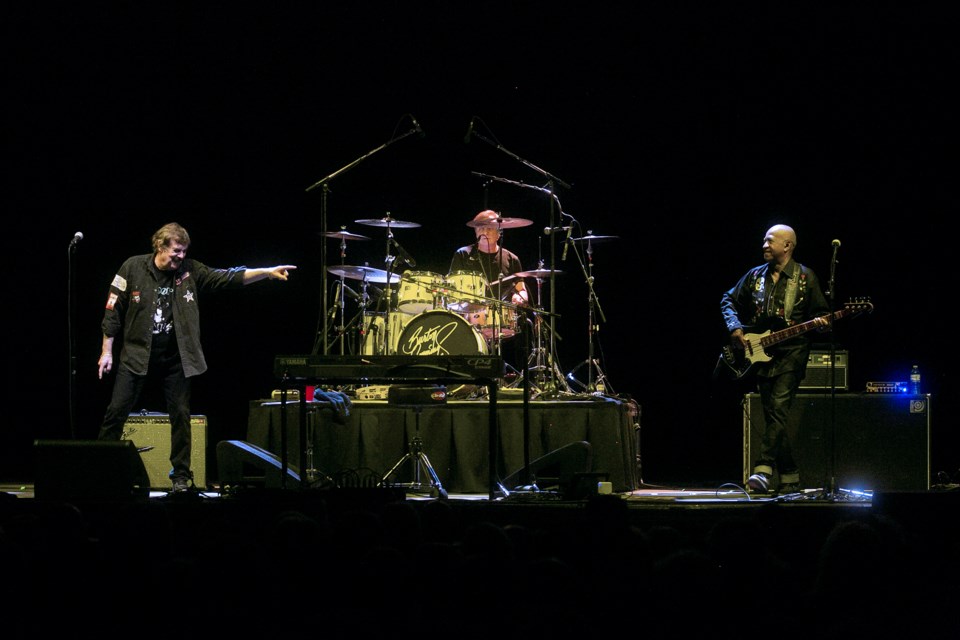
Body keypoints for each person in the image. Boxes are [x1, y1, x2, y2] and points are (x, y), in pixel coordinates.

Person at [96, 222, 313, 493]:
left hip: (176, 359)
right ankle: (102, 471)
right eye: (176, 251)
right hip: (137, 355)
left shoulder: (190, 271)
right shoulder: (132, 267)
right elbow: (112, 309)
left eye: (184, 251)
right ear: (160, 246)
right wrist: (107, 351)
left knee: (180, 416)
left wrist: (266, 273)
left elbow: (228, 277)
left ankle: (181, 477)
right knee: (116, 412)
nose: (180, 256)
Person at [720, 224, 830, 494]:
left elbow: (822, 315)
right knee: (773, 417)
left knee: (778, 410)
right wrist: (735, 328)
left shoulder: (806, 277)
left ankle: (763, 469)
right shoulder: (755, 275)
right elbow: (728, 299)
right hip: (761, 355)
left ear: (787, 246)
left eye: (770, 241)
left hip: (792, 355)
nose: (764, 246)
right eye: (764, 241)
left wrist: (824, 323)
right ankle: (790, 474)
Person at [448, 209, 529, 336]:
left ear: (499, 233)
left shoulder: (512, 259)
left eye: (490, 228)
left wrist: (520, 297)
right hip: (468, 319)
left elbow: (522, 290)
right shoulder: (463, 255)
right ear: (475, 233)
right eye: (481, 228)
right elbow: (452, 289)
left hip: (503, 321)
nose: (485, 232)